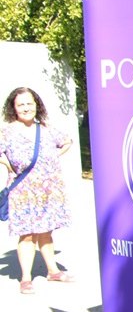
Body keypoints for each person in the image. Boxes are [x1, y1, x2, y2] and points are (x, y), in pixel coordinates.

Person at [0, 87, 74, 294]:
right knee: (27, 235)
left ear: (36, 105)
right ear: (14, 108)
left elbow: (67, 141)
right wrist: (7, 164)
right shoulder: (7, 131)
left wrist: (52, 158)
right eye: (21, 104)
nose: (26, 108)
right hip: (23, 191)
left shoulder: (46, 129)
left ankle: (53, 271)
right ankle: (25, 278)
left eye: (29, 103)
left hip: (48, 189)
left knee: (46, 231)